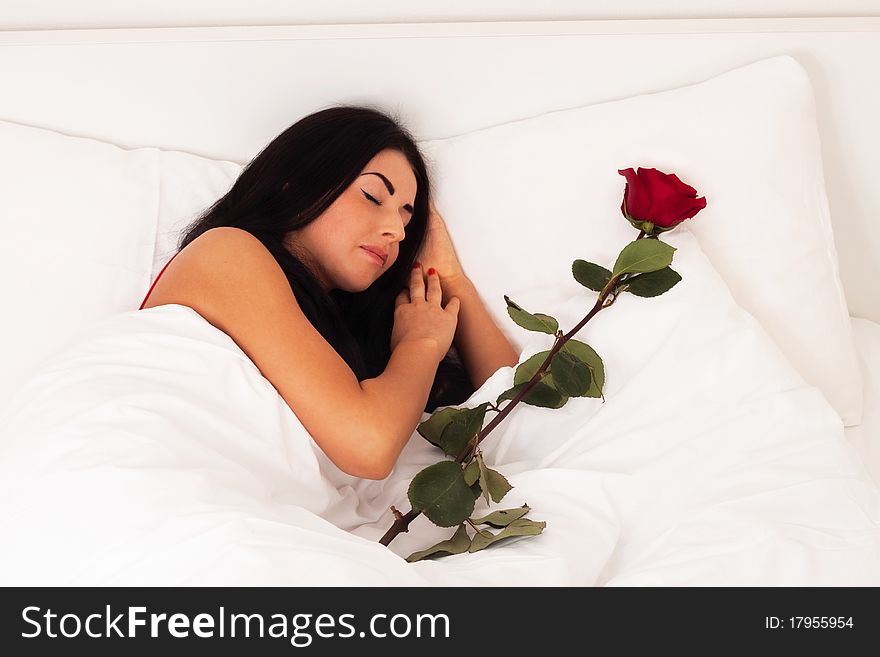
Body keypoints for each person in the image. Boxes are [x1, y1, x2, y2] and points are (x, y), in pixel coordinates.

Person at [139, 105, 520, 480]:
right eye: (372, 196)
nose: (398, 231)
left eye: (407, 215)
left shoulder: (351, 342)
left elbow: (520, 413)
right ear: (294, 183)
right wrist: (419, 343)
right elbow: (369, 445)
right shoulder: (226, 252)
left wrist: (450, 277)